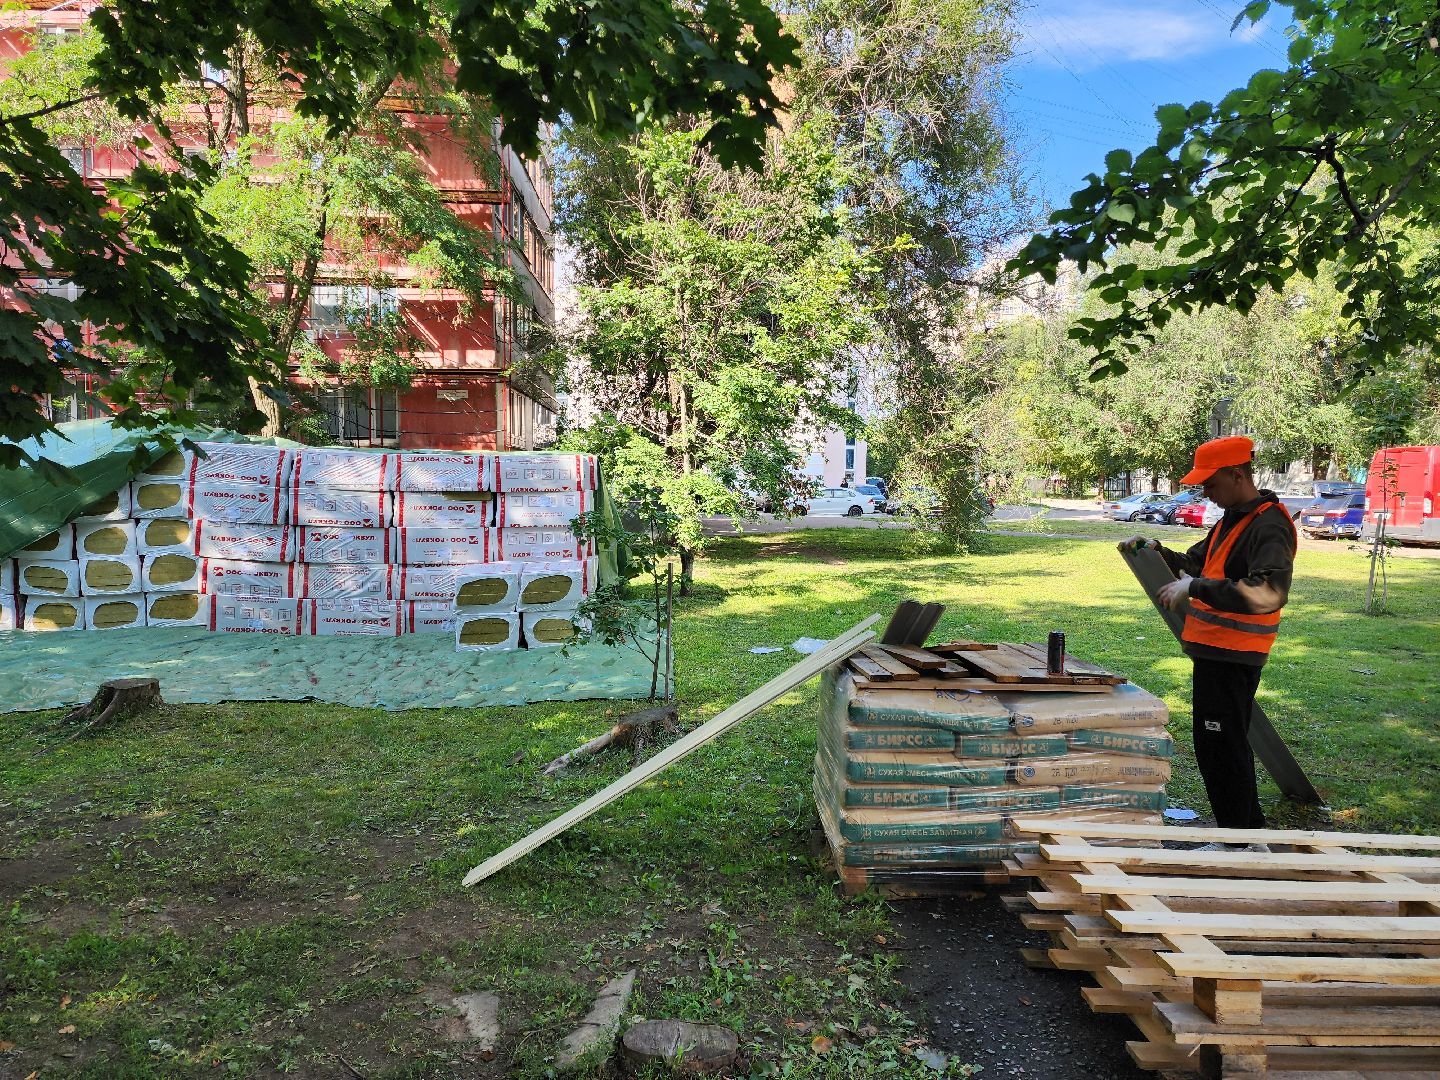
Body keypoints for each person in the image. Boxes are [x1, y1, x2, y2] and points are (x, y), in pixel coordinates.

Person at [1119, 436, 1297, 848]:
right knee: (1222, 743)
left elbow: (1268, 591)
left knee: (1220, 745)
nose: (1205, 493)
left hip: (1235, 652)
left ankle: (1238, 841)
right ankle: (1247, 834)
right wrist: (1157, 552)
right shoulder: (1233, 517)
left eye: (1210, 484)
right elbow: (1197, 563)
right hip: (1216, 649)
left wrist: (1194, 588)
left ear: (1237, 474)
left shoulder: (1269, 523)